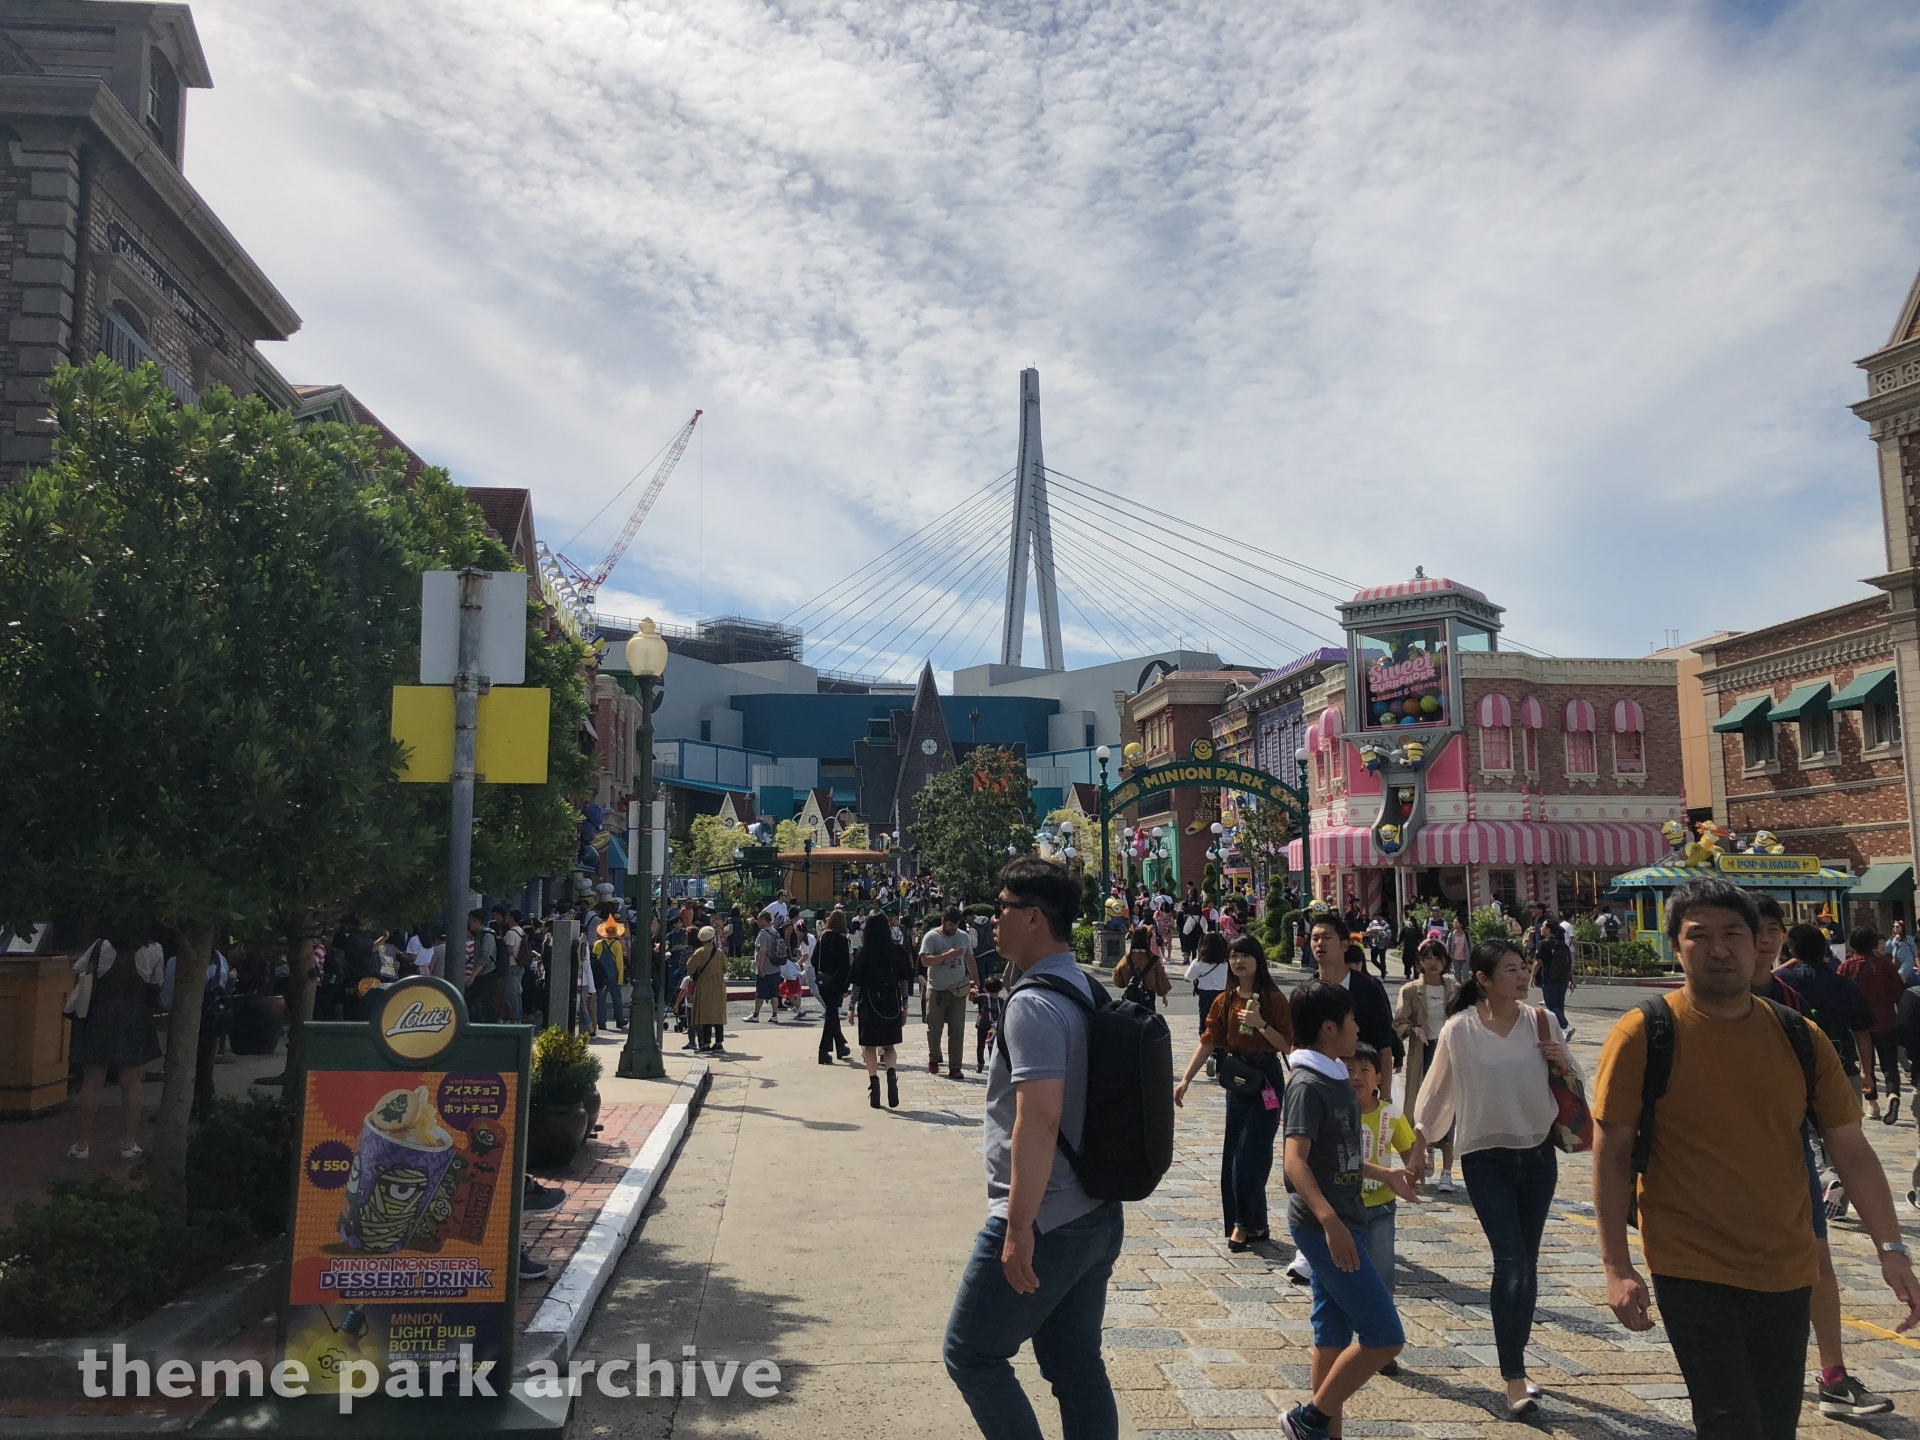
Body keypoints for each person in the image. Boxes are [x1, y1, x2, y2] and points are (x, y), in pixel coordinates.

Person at [1591, 876, 1920, 1439]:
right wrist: (1616, 1267)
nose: (1718, 949)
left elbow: (1852, 1151)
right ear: (1676, 946)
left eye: (1733, 934)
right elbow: (1612, 1153)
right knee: (1729, 1422)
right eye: (1700, 935)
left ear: (1761, 942)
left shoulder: (1799, 1036)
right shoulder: (1645, 1033)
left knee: (1774, 1423)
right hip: (1689, 1263)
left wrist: (1892, 1251)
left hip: (1786, 1265)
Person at [944, 857, 1124, 1440]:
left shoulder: (1033, 1003)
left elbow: (1039, 1119)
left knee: (971, 1353)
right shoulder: (1083, 986)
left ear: (1034, 919)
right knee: (1076, 1367)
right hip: (1095, 1208)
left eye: (1002, 907)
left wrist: (1018, 1227)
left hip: (1046, 1215)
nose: (992, 919)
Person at [1411, 936, 1578, 1417]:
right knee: (1511, 1262)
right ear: (1483, 979)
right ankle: (1514, 1378)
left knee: (1528, 1262)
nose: (1523, 976)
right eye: (1511, 970)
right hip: (1485, 1158)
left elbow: (1576, 1078)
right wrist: (1420, 1142)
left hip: (1537, 1154)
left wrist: (1560, 1059)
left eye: (1523, 967)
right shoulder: (1460, 1029)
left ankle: (1517, 1361)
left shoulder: (1541, 1020)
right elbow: (1436, 1091)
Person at [1747, 898, 1891, 1417]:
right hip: (1724, 1163)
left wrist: (1891, 1248)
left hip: (1791, 1149)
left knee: (1817, 1258)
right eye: (1755, 929)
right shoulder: (1701, 1004)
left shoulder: (1788, 995)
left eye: (1773, 928)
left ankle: (1833, 1373)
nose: (1765, 939)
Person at [1277, 980, 1413, 1440]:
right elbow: (1295, 1162)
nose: (1358, 1027)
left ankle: (1322, 1434)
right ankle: (1309, 1418)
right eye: (1351, 1020)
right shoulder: (1307, 1084)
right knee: (1385, 1335)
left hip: (1344, 1218)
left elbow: (1338, 1158)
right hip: (1325, 1226)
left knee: (1331, 1334)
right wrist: (1330, 1223)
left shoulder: (1334, 1077)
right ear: (1329, 1028)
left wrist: (1385, 1175)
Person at [1174, 933, 1293, 1248]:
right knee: (1234, 1154)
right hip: (1237, 1077)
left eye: (1245, 955)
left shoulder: (1273, 999)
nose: (1239, 961)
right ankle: (1254, 1224)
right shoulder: (1224, 1000)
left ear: (1258, 960)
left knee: (1252, 1153)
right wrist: (1185, 1080)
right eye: (1234, 956)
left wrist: (1260, 1023)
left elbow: (1287, 1045)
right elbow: (1208, 1041)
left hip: (1266, 1079)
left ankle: (1243, 1224)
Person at [66, 930, 164, 1162]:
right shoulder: (154, 949)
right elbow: (156, 983)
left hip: (99, 1017)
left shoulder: (101, 946)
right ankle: (129, 1144)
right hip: (135, 1017)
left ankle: (82, 1145)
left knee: (92, 1081)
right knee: (132, 1082)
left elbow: (79, 969)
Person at [1351, 1041, 1415, 1314]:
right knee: (1347, 1276)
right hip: (1344, 1207)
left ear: (1379, 1077)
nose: (1356, 1077)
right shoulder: (1335, 1112)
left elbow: (1409, 1151)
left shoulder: (1390, 1115)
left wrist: (1413, 1170)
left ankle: (1382, 1326)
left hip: (1381, 1207)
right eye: (1349, 1070)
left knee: (1382, 1272)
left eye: (1364, 1070)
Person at [1393, 940, 1458, 1191]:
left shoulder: (1454, 988)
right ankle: (1423, 1156)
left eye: (1438, 958)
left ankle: (1447, 1172)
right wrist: (1412, 1029)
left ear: (1445, 962)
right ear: (1420, 961)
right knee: (1423, 1107)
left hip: (1450, 1053)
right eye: (1427, 958)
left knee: (1450, 1107)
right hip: (1424, 1052)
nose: (1433, 963)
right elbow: (1398, 1022)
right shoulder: (1410, 990)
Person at [1839, 927, 1904, 1123]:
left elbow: (1839, 994)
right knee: (1889, 1063)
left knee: (1866, 1065)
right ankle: (1892, 1094)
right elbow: (1899, 994)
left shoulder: (1846, 967)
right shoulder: (1885, 966)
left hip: (1859, 1026)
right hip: (1885, 1021)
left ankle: (1872, 1103)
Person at [850, 912, 912, 1108]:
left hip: (869, 1003)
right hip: (891, 1002)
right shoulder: (896, 951)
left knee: (869, 1047)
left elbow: (857, 984)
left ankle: (874, 1086)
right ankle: (891, 1076)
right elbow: (903, 980)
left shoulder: (863, 953)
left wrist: (851, 1006)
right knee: (889, 1046)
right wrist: (904, 1002)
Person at [921, 908, 980, 1080]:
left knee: (957, 1030)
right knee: (934, 1028)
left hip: (958, 989)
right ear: (943, 921)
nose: (953, 928)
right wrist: (947, 955)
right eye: (951, 925)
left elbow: (970, 959)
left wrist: (977, 982)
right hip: (937, 989)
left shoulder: (963, 936)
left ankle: (955, 1066)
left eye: (956, 925)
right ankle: (934, 1058)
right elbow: (925, 961)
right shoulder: (932, 937)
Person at [1186, 930, 1231, 1077]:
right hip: (1223, 996)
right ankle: (1221, 1066)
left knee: (1205, 1026)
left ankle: (1210, 1055)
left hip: (1205, 996)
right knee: (1223, 1028)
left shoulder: (1199, 962)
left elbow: (1187, 977)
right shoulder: (1226, 962)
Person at [677, 925, 728, 1054]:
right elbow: (725, 968)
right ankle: (719, 1043)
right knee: (717, 1015)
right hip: (719, 985)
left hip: (704, 985)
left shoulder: (699, 952)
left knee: (705, 1015)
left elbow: (690, 967)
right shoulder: (719, 952)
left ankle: (706, 1044)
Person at [814, 910, 853, 1064]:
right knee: (831, 1014)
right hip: (836, 983)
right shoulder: (843, 941)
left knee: (832, 1013)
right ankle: (823, 1050)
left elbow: (813, 960)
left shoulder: (822, 938)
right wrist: (844, 987)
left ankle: (840, 1045)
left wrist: (821, 972)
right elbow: (845, 967)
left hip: (823, 981)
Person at [1531, 919, 1574, 1037]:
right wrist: (1571, 979)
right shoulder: (1563, 944)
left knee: (1551, 1006)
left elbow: (1538, 962)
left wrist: (1533, 975)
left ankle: (1565, 1026)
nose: (1541, 928)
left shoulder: (1543, 944)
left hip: (1549, 978)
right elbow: (1569, 963)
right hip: (1563, 979)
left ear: (1548, 930)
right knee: (1559, 1005)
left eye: (1543, 927)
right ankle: (1560, 1031)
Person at [1112, 927, 1170, 1009]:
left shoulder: (1126, 959)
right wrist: (1164, 997)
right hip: (1148, 999)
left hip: (1130, 1000)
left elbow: (1117, 980)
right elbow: (1161, 978)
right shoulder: (1153, 959)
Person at [746, 912, 787, 1024]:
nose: (758, 923)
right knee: (774, 993)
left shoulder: (763, 934)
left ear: (764, 921)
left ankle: (755, 1015)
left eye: (759, 920)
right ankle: (774, 1015)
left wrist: (760, 967)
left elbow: (762, 950)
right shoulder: (775, 931)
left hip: (766, 969)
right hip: (776, 967)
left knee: (760, 993)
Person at [974, 976, 1005, 1074]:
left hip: (994, 1027)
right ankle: (980, 1063)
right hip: (982, 1025)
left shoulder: (1001, 1001)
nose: (994, 995)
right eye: (992, 993)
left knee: (992, 1046)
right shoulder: (983, 998)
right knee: (981, 1045)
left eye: (996, 992)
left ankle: (992, 1063)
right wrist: (972, 993)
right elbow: (972, 999)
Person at [1396, 913, 1423, 980]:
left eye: (1410, 920)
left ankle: (1416, 975)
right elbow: (1401, 937)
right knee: (1406, 961)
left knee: (1415, 962)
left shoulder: (1417, 929)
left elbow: (1421, 938)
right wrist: (1399, 944)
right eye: (1408, 920)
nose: (1408, 921)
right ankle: (1408, 973)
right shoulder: (1405, 929)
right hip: (1407, 948)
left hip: (1415, 948)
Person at [1445, 915, 1471, 984]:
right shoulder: (1451, 934)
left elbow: (1470, 946)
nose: (1455, 924)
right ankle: (1458, 988)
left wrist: (1471, 956)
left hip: (1465, 959)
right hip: (1455, 959)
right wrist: (1447, 956)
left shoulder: (1466, 935)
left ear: (1461, 924)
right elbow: (1448, 946)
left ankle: (1465, 988)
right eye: (1454, 923)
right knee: (1457, 976)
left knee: (1465, 976)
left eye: (1457, 923)